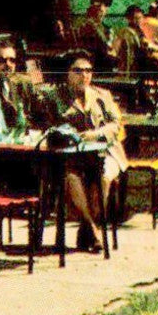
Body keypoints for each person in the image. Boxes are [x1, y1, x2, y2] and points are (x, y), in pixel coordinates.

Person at [47, 50, 128, 251]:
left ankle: (88, 229)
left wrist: (95, 134)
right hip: (73, 156)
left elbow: (115, 125)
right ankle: (91, 228)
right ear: (67, 74)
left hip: (106, 152)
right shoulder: (55, 97)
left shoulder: (102, 95)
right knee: (71, 178)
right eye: (78, 71)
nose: (84, 75)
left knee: (104, 177)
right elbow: (49, 127)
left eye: (88, 71)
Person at [65, 0, 114, 69]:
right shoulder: (81, 26)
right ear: (91, 7)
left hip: (103, 66)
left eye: (105, 5)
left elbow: (108, 49)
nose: (101, 8)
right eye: (98, 5)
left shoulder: (108, 29)